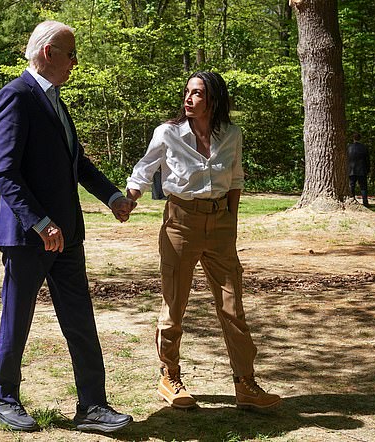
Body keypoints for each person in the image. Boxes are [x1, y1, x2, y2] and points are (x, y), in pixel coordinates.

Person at [0, 20, 135, 433]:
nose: (75, 62)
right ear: (49, 52)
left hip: (66, 235)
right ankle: (4, 398)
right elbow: (4, 172)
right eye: (70, 53)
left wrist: (112, 197)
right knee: (18, 317)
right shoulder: (15, 96)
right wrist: (40, 222)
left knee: (80, 320)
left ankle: (93, 406)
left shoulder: (54, 99)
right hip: (29, 237)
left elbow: (76, 161)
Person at [126, 71, 281, 410]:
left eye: (196, 93)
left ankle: (246, 384)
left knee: (233, 307)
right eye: (187, 92)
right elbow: (145, 167)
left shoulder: (231, 134)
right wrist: (129, 198)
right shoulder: (168, 133)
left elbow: (236, 179)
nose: (188, 99)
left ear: (213, 99)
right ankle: (170, 376)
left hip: (221, 224)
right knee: (175, 305)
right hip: (180, 224)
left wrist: (231, 224)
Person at [347, 132, 370, 207]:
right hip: (362, 170)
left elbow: (346, 159)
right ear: (360, 138)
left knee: (352, 186)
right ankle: (365, 202)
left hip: (351, 170)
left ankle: (352, 200)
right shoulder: (364, 147)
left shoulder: (349, 147)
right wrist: (368, 169)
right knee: (363, 187)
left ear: (353, 138)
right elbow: (367, 160)